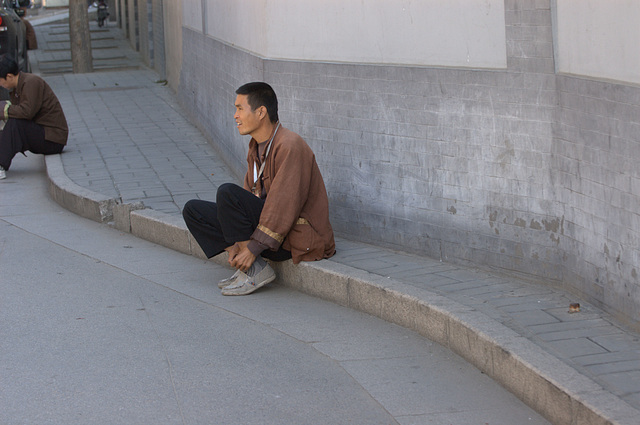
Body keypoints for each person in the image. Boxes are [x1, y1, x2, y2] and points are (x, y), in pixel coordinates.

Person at [183, 82, 335, 296]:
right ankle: (250, 265)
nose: (235, 115)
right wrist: (236, 244)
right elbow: (248, 197)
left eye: (240, 108)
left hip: (294, 237)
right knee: (193, 210)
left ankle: (254, 268)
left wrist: (252, 248)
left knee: (227, 193)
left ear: (261, 112)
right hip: (270, 233)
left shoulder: (290, 145)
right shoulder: (255, 146)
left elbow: (284, 205)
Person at [0, 55, 68, 180]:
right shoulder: (20, 85)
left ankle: (0, 165)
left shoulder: (31, 82)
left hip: (53, 139)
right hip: (44, 133)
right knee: (9, 128)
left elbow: (27, 112)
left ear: (9, 76)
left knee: (15, 124)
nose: (0, 84)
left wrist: (4, 109)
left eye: (0, 80)